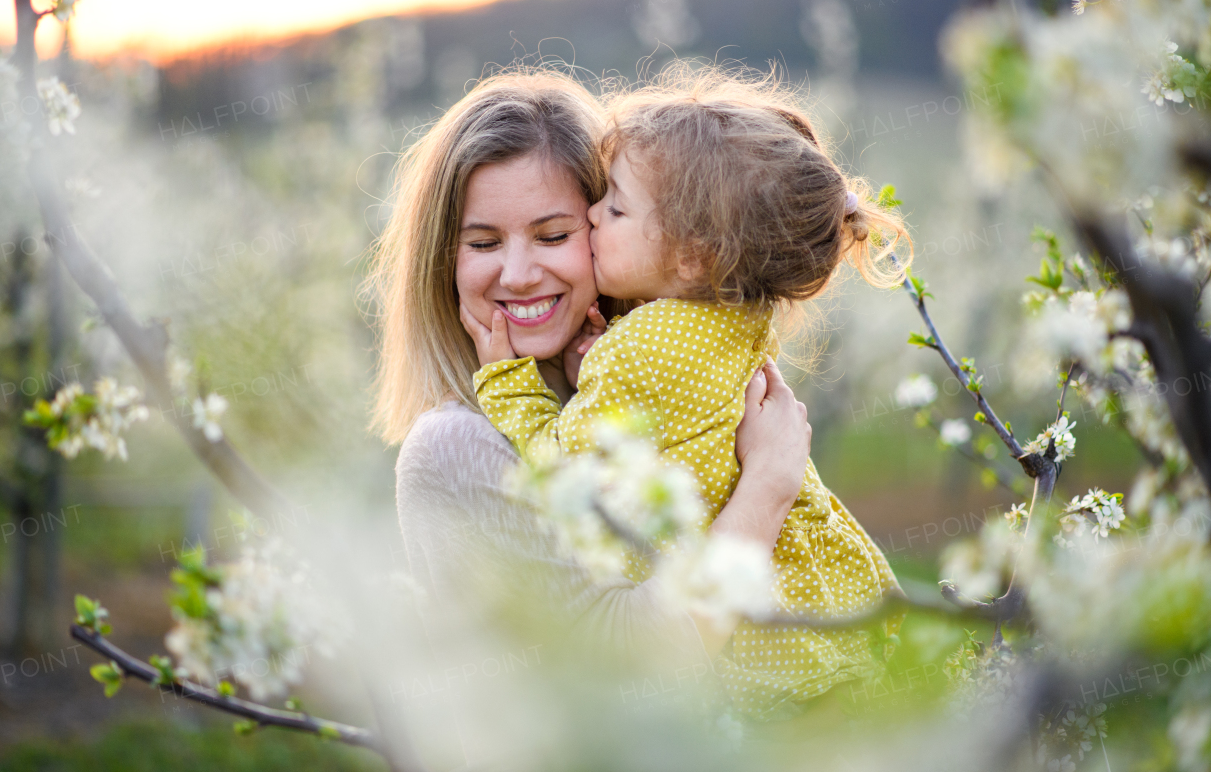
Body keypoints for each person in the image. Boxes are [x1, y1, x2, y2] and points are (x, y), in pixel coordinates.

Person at [463, 63, 911, 722]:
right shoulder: (728, 315)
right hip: (825, 601)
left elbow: (569, 476)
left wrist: (509, 388)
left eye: (614, 208)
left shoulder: (642, 350)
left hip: (759, 658)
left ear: (694, 256)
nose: (593, 215)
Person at [368, 69, 811, 696]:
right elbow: (629, 668)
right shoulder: (453, 448)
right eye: (483, 242)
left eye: (554, 235)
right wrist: (767, 489)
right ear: (445, 260)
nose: (519, 274)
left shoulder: (651, 388)